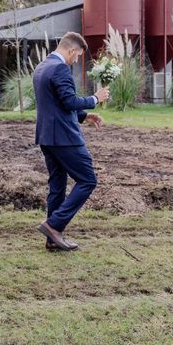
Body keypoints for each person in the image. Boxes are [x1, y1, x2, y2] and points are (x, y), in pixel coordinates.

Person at [33, 32, 109, 251]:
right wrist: (96, 98)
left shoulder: (42, 67)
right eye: (77, 56)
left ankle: (52, 239)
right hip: (65, 138)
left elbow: (56, 106)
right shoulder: (59, 68)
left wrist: (85, 116)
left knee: (57, 186)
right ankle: (53, 225)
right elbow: (69, 101)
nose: (76, 60)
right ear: (71, 50)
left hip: (47, 137)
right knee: (88, 180)